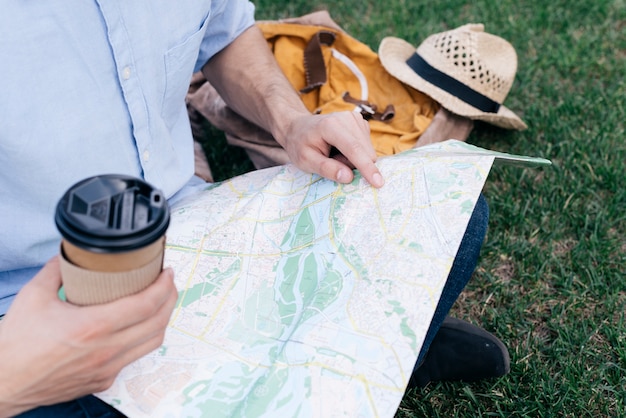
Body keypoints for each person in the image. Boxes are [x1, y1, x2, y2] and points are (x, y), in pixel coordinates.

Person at [0, 1, 508, 416]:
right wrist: (16, 375)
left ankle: (368, 360)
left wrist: (292, 124)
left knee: (450, 212)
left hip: (195, 226)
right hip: (34, 306)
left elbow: (223, 34)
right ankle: (362, 359)